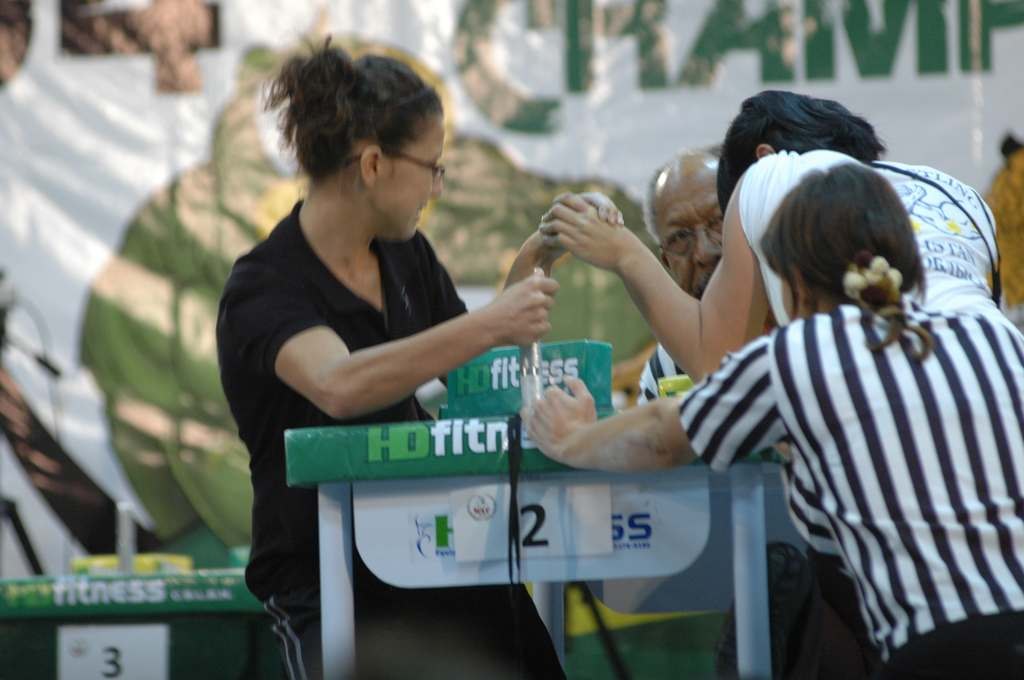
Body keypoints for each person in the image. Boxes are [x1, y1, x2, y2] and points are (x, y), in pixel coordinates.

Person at [526, 162, 1024, 679]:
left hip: (942, 645)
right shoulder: (993, 337)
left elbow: (660, 436)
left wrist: (571, 437)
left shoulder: (802, 352)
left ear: (787, 277)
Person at [216, 40, 564, 679]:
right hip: (323, 577)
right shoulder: (263, 287)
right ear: (374, 164)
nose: (437, 186)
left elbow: (467, 364)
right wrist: (493, 321)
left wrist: (538, 255)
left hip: (429, 545)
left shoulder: (407, 255)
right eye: (432, 167)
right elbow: (339, 384)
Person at [635, 148, 722, 404]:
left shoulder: (797, 329)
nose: (704, 252)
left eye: (718, 221)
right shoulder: (664, 368)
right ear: (667, 262)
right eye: (681, 237)